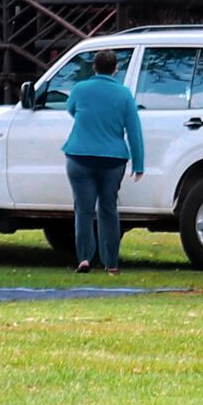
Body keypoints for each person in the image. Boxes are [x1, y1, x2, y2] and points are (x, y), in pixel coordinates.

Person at [61, 56, 146, 273]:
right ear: (115, 69)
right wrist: (138, 163)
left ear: (94, 67)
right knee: (108, 208)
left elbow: (71, 110)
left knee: (84, 209)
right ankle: (111, 262)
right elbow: (133, 130)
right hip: (113, 159)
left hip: (79, 155)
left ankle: (84, 258)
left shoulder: (80, 89)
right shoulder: (124, 94)